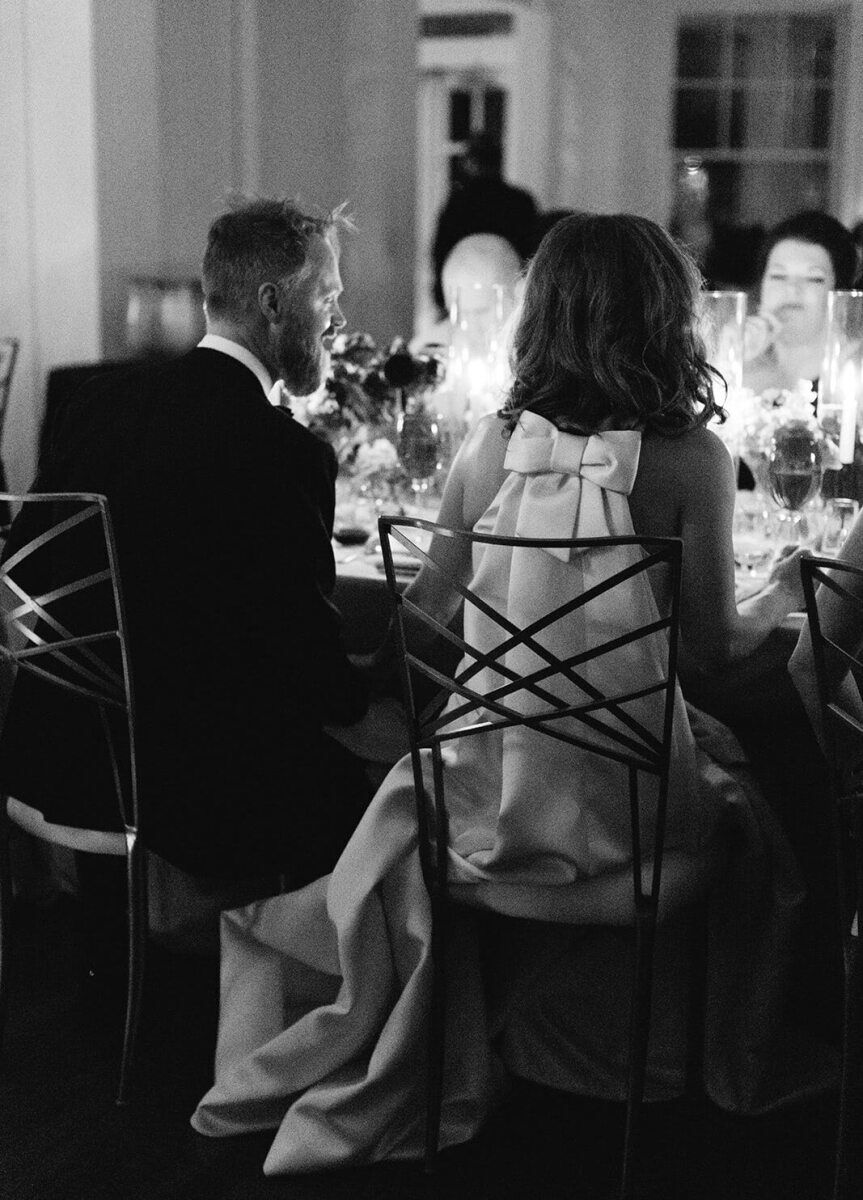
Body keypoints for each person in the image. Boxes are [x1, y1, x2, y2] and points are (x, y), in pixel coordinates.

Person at [191, 213, 822, 1173]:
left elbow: (425, 622)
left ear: (543, 316)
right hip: (638, 830)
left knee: (433, 770)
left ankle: (505, 1037)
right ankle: (678, 1070)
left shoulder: (489, 448)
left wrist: (438, 693)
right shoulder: (693, 458)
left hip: (482, 825)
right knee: (768, 811)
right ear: (667, 317)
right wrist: (777, 593)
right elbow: (706, 655)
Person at [0, 197, 384, 890]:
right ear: (272, 302)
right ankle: (303, 985)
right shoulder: (280, 454)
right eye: (327, 297)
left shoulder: (94, 405)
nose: (337, 319)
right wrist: (382, 682)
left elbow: (26, 568)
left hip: (49, 758)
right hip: (174, 792)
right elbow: (315, 681)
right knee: (395, 803)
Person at [743, 210, 858, 394]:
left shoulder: (853, 382)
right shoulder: (734, 371)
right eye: (778, 276)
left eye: (814, 278)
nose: (792, 289)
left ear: (839, 293)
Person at [431, 133, 538, 319]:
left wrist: (442, 299)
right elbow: (532, 253)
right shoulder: (520, 202)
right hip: (513, 296)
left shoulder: (458, 203)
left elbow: (440, 252)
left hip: (466, 294)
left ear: (470, 163)